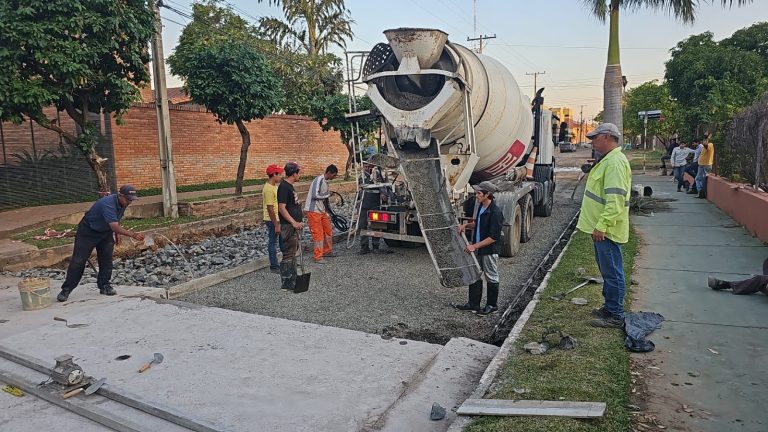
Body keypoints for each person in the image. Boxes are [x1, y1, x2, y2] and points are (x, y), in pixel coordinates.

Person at [576, 123, 632, 328]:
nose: (592, 142)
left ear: (607, 137)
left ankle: (616, 314)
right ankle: (609, 307)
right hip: (601, 228)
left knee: (612, 272)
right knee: (608, 271)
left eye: (595, 138)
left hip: (606, 229)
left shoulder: (615, 163)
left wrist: (602, 225)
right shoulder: (608, 160)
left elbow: (615, 201)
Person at [56, 185, 145, 302]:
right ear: (121, 195)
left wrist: (117, 235)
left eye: (131, 200)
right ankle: (66, 290)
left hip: (105, 232)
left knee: (106, 259)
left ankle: (104, 285)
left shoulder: (123, 203)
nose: (130, 202)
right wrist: (132, 234)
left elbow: (115, 220)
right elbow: (114, 226)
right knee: (78, 261)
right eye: (128, 199)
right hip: (88, 231)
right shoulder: (107, 204)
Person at [454, 181, 504, 315]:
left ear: (488, 195)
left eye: (479, 193)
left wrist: (474, 246)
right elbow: (479, 223)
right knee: (474, 274)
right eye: (476, 193)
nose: (476, 195)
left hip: (489, 251)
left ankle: (492, 305)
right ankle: (473, 304)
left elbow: (493, 237)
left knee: (491, 276)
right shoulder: (482, 207)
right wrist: (466, 225)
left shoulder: (495, 212)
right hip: (478, 249)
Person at [277, 162, 304, 292]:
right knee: (288, 253)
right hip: (288, 226)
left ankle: (293, 278)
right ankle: (287, 282)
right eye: (298, 172)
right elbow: (281, 208)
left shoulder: (289, 186)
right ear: (294, 173)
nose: (299, 175)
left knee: (293, 251)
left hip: (293, 225)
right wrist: (293, 222)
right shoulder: (284, 187)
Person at [304, 164, 339, 263]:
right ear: (329, 173)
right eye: (334, 175)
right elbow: (315, 195)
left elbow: (323, 199)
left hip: (321, 210)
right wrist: (327, 194)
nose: (334, 177)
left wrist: (328, 211)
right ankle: (318, 257)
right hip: (313, 210)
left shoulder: (325, 182)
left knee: (328, 230)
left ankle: (327, 251)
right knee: (318, 235)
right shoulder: (318, 180)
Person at [358, 161, 387, 255]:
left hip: (374, 203)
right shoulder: (361, 177)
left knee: (376, 224)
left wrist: (383, 194)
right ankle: (364, 246)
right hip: (364, 204)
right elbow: (359, 190)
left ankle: (375, 246)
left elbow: (383, 187)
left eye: (369, 167)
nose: (367, 169)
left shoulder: (377, 175)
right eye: (365, 167)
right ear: (363, 167)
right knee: (362, 225)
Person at [262, 164, 284, 273]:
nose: (280, 176)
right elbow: (270, 208)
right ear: (274, 174)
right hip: (272, 219)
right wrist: (276, 224)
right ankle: (274, 266)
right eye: (279, 174)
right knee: (273, 242)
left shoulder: (274, 186)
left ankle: (285, 262)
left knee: (282, 241)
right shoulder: (268, 189)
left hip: (277, 218)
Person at [695, 133, 715, 199]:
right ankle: (701, 192)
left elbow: (705, 145)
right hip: (702, 164)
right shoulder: (706, 146)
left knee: (699, 179)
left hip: (705, 165)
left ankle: (701, 192)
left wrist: (706, 137)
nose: (703, 141)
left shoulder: (710, 145)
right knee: (701, 179)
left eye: (704, 140)